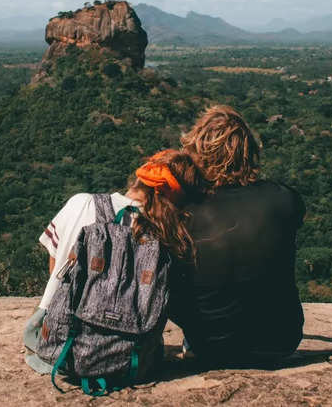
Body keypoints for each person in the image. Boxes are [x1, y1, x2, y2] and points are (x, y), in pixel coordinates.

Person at [23, 149, 206, 374]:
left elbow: (55, 270)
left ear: (139, 177)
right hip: (131, 357)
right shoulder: (170, 236)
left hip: (57, 346)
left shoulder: (81, 203)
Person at [170, 104, 305, 367]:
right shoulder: (285, 199)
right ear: (249, 152)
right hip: (281, 341)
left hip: (209, 345)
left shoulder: (185, 210)